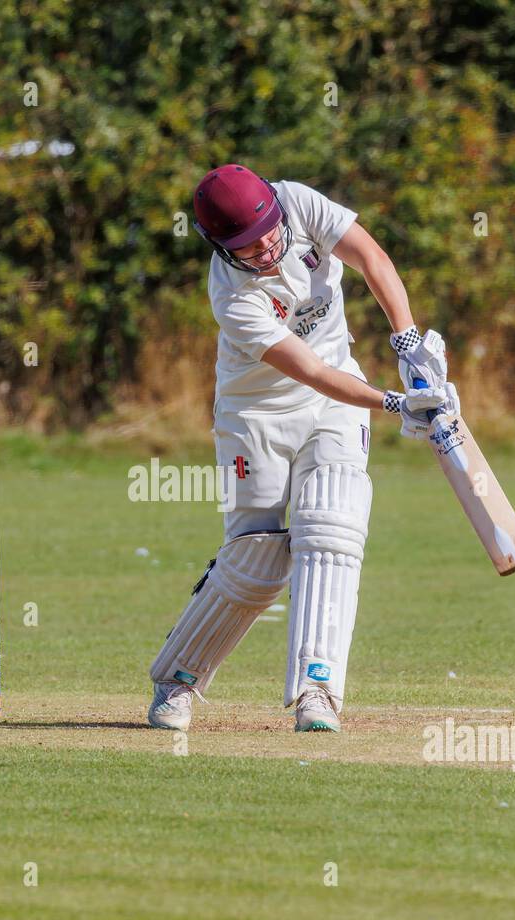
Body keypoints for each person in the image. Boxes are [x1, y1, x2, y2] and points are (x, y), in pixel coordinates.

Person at [148, 164, 459, 733]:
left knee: (332, 522)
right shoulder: (233, 296)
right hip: (256, 417)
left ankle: (318, 691)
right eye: (247, 243)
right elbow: (309, 370)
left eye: (268, 229)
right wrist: (394, 404)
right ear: (221, 248)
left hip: (336, 401)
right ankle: (178, 678)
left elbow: (372, 260)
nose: (266, 246)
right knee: (256, 558)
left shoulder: (297, 203)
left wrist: (409, 343)